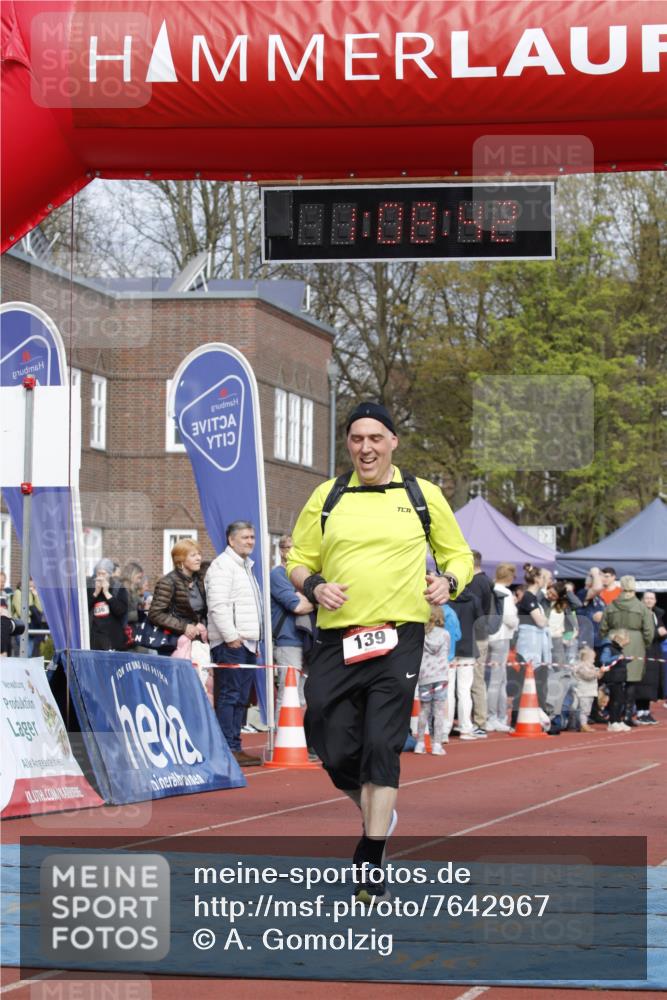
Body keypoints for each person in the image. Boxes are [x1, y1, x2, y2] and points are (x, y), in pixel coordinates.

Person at [287, 400, 473, 901]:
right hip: (337, 637)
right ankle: (377, 812)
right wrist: (316, 585)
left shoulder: (421, 495)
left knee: (381, 743)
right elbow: (298, 560)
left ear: (393, 441)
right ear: (347, 444)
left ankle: (371, 853)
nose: (365, 448)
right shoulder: (327, 496)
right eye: (356, 439)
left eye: (375, 438)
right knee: (326, 735)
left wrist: (448, 580)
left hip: (399, 636)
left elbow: (459, 554)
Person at [206, 521, 264, 768]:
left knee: (241, 697)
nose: (250, 541)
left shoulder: (245, 567)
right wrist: (230, 636)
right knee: (230, 695)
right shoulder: (222, 567)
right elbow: (218, 605)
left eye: (252, 537)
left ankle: (235, 745)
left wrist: (255, 638)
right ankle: (227, 747)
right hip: (232, 642)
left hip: (246, 641)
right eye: (245, 537)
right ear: (231, 540)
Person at [599, 575, 654, 727]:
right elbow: (649, 630)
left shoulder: (611, 605)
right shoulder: (641, 607)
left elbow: (603, 627)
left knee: (615, 681)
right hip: (635, 642)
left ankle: (613, 715)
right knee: (631, 680)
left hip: (614, 638)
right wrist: (645, 644)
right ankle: (628, 715)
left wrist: (607, 641)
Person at [270, 534, 315, 713]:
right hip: (288, 640)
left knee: (304, 695)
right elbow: (297, 606)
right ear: (282, 551)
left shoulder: (305, 575)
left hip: (308, 640)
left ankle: (298, 738)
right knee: (288, 693)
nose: (295, 553)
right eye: (290, 548)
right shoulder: (278, 574)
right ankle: (282, 738)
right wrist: (315, 599)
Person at [148, 540, 207, 655]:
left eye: (199, 554)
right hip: (174, 644)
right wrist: (184, 627)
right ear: (181, 559)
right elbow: (155, 614)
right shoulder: (167, 582)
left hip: (198, 642)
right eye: (193, 555)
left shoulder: (200, 579)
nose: (199, 558)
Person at [446, 583, 484, 740]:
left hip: (448, 647)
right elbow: (481, 623)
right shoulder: (473, 599)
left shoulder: (446, 598)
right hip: (468, 646)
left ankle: (444, 728)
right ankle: (465, 727)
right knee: (464, 690)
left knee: (447, 690)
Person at [486, 562, 518, 732]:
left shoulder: (490, 588)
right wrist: (517, 621)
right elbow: (510, 619)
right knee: (497, 680)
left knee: (495, 679)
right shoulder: (505, 593)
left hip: (488, 636)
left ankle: (497, 715)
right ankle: (493, 716)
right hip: (501, 637)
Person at [415, 606, 449, 755]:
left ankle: (420, 743)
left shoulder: (421, 634)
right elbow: (447, 652)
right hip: (440, 676)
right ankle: (437, 744)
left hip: (425, 676)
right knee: (439, 711)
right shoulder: (445, 634)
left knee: (424, 710)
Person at [515, 564, 550, 712]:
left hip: (535, 646)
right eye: (543, 578)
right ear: (537, 579)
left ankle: (539, 714)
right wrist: (546, 620)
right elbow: (541, 621)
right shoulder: (528, 597)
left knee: (536, 682)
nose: (546, 581)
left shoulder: (533, 598)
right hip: (529, 647)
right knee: (526, 682)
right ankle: (519, 717)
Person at [467, 550, 492, 737]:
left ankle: (479, 722)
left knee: (476, 679)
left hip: (477, 635)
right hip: (482, 634)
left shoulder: (476, 583)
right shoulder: (487, 581)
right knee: (475, 679)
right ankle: (477, 720)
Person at [635, 591, 665, 725]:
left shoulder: (656, 614)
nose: (649, 601)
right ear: (641, 600)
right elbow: (642, 634)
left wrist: (662, 633)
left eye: (651, 598)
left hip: (654, 652)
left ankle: (646, 711)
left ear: (655, 601)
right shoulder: (639, 615)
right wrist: (657, 633)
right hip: (643, 651)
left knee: (651, 682)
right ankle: (640, 712)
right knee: (642, 682)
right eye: (646, 598)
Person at [87, 559, 129, 651]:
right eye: (99, 574)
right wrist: (95, 594)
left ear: (110, 574)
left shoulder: (118, 588)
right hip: (95, 639)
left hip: (113, 639)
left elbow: (121, 611)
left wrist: (107, 593)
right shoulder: (91, 587)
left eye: (104, 574)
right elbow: (84, 609)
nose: (101, 577)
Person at [599, 629, 631, 732]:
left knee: (621, 700)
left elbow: (618, 663)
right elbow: (604, 660)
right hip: (612, 678)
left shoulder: (618, 649)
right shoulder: (608, 648)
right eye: (627, 638)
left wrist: (627, 659)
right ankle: (612, 722)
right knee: (615, 700)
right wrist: (617, 657)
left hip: (619, 678)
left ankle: (618, 720)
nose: (628, 641)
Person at [572, 646, 600, 733]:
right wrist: (597, 673)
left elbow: (597, 675)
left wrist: (601, 672)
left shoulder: (591, 667)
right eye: (593, 659)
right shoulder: (582, 667)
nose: (594, 661)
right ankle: (583, 725)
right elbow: (588, 676)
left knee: (586, 709)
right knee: (584, 709)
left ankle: (582, 724)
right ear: (586, 658)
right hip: (584, 691)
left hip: (589, 691)